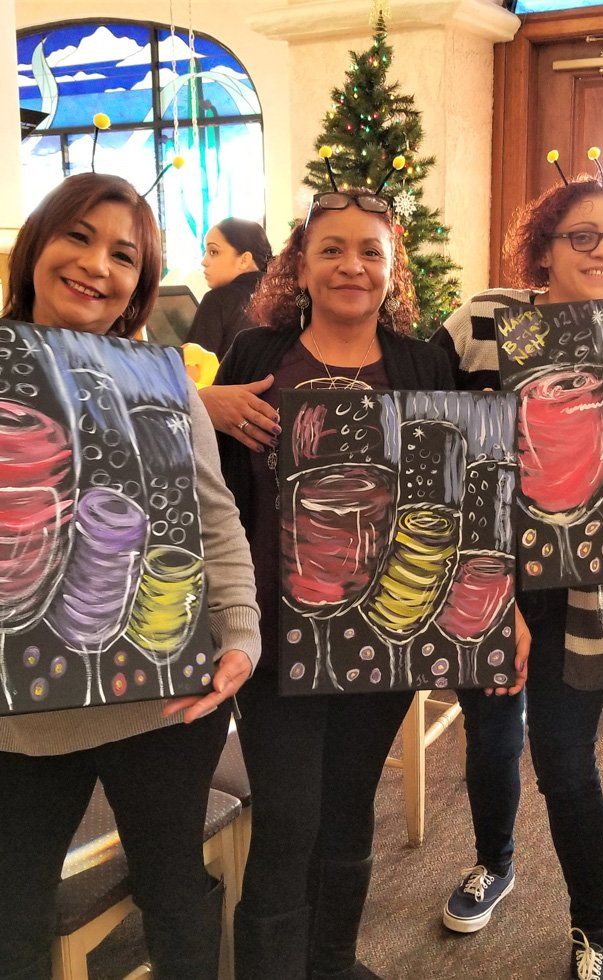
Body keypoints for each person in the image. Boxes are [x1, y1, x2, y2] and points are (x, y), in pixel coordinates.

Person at [0, 172, 260, 980]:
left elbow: (215, 519)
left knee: (174, 892)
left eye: (124, 254)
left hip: (158, 695)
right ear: (36, 246)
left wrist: (240, 633)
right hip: (21, 707)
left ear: (140, 283)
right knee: (6, 930)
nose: (97, 265)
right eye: (78, 236)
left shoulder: (163, 379)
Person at [200, 185, 528, 980]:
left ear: (392, 270)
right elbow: (197, 476)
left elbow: (465, 488)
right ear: (301, 266)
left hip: (387, 633)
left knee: (349, 814)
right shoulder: (256, 354)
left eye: (371, 252)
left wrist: (498, 608)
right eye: (332, 249)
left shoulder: (422, 362)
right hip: (277, 631)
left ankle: (332, 963)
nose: (353, 265)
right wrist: (198, 403)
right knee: (288, 816)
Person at [431, 173, 603, 979]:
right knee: (489, 737)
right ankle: (496, 863)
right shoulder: (483, 318)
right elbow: (434, 441)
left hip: (583, 587)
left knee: (566, 761)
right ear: (544, 244)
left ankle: (593, 929)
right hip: (486, 580)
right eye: (582, 235)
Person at [185, 217, 273, 358]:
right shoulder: (280, 298)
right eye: (205, 252)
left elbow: (192, 372)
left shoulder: (217, 300)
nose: (204, 261)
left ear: (244, 260)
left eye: (213, 252)